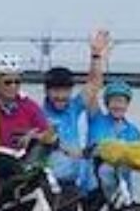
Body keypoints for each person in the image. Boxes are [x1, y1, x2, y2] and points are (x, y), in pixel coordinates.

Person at [40, 30, 111, 185]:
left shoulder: (74, 107)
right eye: (55, 90)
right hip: (48, 186)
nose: (60, 96)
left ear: (70, 91)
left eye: (65, 90)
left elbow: (94, 84)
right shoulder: (38, 115)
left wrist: (96, 55)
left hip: (73, 182)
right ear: (46, 91)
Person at [82, 78, 140, 198]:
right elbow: (91, 91)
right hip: (94, 187)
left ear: (127, 104)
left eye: (122, 101)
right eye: (114, 101)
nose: (118, 105)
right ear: (107, 104)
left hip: (122, 191)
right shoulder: (96, 119)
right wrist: (96, 60)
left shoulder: (134, 132)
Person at [0, 57, 56, 150]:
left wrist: (35, 137)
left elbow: (49, 135)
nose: (13, 86)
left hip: (24, 161)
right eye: (7, 82)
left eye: (17, 82)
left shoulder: (30, 106)